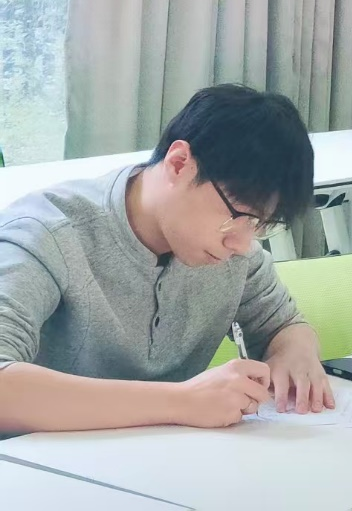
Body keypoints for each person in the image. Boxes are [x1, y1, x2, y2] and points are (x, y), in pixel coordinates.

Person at [0, 85, 330, 435]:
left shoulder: (233, 251)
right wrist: (181, 401)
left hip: (170, 458)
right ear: (179, 163)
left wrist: (295, 351)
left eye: (260, 224)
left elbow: (283, 324)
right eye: (238, 215)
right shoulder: (47, 233)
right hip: (41, 461)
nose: (242, 243)